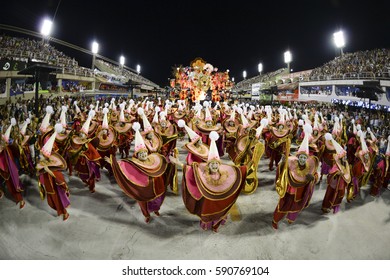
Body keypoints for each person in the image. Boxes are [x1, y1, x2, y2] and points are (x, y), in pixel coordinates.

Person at [170, 131, 247, 232]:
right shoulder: (202, 171)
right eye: (212, 164)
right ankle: (208, 222)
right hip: (208, 202)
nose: (215, 166)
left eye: (216, 164)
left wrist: (246, 167)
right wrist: (179, 163)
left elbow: (237, 171)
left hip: (219, 200)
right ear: (208, 165)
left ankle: (217, 222)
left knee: (220, 210)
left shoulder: (224, 171)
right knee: (207, 210)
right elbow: (191, 170)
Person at [108, 122, 168, 223]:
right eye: (141, 154)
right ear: (137, 155)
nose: (144, 155)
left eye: (145, 153)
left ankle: (156, 209)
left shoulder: (153, 159)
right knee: (143, 203)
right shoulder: (134, 163)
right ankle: (147, 215)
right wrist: (113, 163)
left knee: (157, 199)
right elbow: (123, 165)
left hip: (156, 186)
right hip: (142, 189)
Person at [272, 123, 319, 229]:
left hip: (300, 193)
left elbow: (315, 175)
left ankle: (290, 218)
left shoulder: (310, 166)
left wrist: (314, 178)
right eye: (301, 157)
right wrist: (283, 163)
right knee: (283, 204)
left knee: (295, 206)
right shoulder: (291, 163)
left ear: (307, 158)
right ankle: (275, 220)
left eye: (304, 158)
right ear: (298, 157)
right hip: (289, 190)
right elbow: (282, 170)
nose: (302, 159)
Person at [36, 124, 70, 221]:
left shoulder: (53, 165)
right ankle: (60, 211)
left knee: (59, 199)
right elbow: (39, 172)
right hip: (49, 185)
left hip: (55, 186)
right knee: (53, 199)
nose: (40, 156)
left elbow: (59, 178)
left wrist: (48, 170)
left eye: (42, 155)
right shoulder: (43, 162)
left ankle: (65, 213)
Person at [321, 133, 351, 214]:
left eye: (345, 156)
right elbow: (331, 172)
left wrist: (345, 176)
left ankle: (335, 207)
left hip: (342, 184)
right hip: (334, 184)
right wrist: (337, 173)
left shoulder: (346, 164)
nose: (345, 158)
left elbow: (348, 173)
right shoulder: (336, 164)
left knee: (340, 196)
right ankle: (326, 207)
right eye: (343, 157)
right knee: (330, 195)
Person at [0, 118, 25, 209]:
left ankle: (20, 199)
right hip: (2, 170)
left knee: (13, 185)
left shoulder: (6, 147)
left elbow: (14, 152)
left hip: (7, 169)